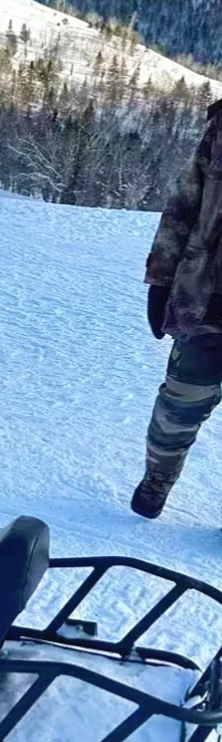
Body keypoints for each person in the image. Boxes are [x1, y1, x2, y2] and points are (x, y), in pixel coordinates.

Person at [134, 100, 222, 518]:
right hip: (208, 297)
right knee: (179, 404)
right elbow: (185, 202)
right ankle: (158, 478)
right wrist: (161, 276)